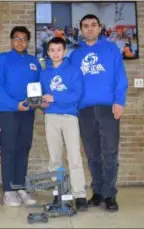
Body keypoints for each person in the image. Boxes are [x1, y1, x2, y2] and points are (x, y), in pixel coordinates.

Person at [69, 14, 128, 212]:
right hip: (84, 110)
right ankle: (98, 192)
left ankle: (110, 194)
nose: (90, 28)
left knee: (110, 153)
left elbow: (120, 77)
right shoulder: (75, 55)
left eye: (93, 25)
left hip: (107, 108)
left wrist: (119, 102)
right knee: (93, 154)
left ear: (99, 27)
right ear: (81, 30)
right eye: (85, 26)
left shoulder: (111, 49)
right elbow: (72, 84)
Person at [0, 26, 42, 207]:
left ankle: (20, 187)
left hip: (28, 112)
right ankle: (8, 191)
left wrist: (39, 102)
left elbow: (39, 85)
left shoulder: (34, 61)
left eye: (24, 39)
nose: (20, 42)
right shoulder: (2, 59)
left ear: (28, 42)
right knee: (10, 149)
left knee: (23, 148)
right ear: (11, 40)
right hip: (9, 111)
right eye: (17, 38)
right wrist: (15, 104)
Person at [40, 37, 88, 211]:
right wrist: (43, 103)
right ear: (48, 52)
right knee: (55, 158)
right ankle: (58, 193)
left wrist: (55, 97)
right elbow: (44, 96)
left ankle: (80, 194)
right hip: (51, 117)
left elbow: (76, 95)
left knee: (74, 157)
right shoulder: (44, 73)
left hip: (69, 117)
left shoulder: (73, 71)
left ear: (64, 51)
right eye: (52, 50)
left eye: (59, 50)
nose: (55, 53)